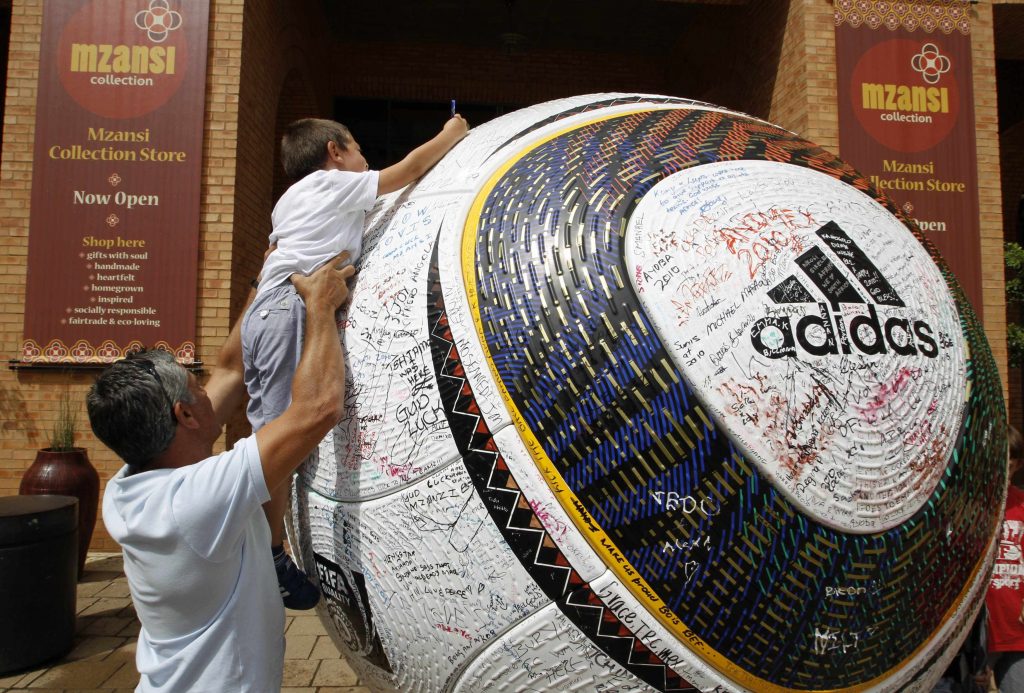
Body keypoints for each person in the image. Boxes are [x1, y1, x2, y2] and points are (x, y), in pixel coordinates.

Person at [88, 257, 355, 691]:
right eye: (197, 385)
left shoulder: (129, 485)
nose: (207, 387)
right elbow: (319, 408)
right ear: (185, 415)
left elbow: (232, 368)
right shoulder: (194, 504)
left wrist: (265, 278)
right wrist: (320, 307)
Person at [242, 113, 469, 609]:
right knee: (278, 438)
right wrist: (450, 135)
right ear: (334, 151)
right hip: (288, 310)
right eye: (359, 148)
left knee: (271, 432)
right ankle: (266, 555)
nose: (365, 160)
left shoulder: (291, 200)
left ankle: (263, 546)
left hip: (265, 314)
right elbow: (408, 170)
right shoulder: (329, 184)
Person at [984, 424, 1024, 692]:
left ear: (1017, 465)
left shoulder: (1021, 505)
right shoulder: (971, 504)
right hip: (979, 631)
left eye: (1007, 466)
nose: (1000, 472)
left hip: (1015, 627)